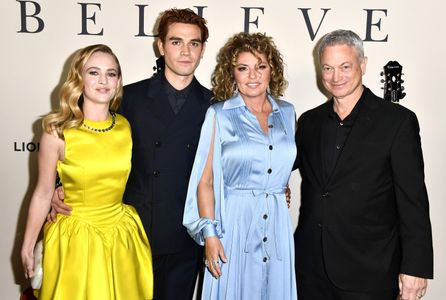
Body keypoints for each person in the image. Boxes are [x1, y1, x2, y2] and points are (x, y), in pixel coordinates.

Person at [49, 9, 212, 300]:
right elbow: (86, 146)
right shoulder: (127, 97)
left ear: (202, 49)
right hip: (130, 234)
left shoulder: (215, 106)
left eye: (194, 43)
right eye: (176, 42)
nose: (185, 51)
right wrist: (58, 188)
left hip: (186, 236)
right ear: (160, 46)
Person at [294, 29, 433, 300]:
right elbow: (276, 167)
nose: (336, 77)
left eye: (345, 66)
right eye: (328, 68)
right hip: (310, 271)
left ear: (363, 65)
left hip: (370, 272)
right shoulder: (309, 122)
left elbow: (413, 201)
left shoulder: (397, 122)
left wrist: (415, 268)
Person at [21, 44, 153, 299]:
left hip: (121, 236)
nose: (103, 80)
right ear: (78, 79)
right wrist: (27, 246)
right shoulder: (56, 132)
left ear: (118, 81)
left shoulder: (125, 126)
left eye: (111, 73)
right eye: (93, 72)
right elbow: (42, 192)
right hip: (75, 239)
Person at [183, 32, 298, 300]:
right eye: (243, 68)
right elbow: (205, 181)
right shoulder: (219, 114)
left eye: (261, 66)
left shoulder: (289, 113)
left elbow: (281, 163)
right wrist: (210, 235)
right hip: (234, 224)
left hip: (277, 223)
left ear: (273, 70)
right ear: (231, 73)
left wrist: (281, 188)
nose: (253, 76)